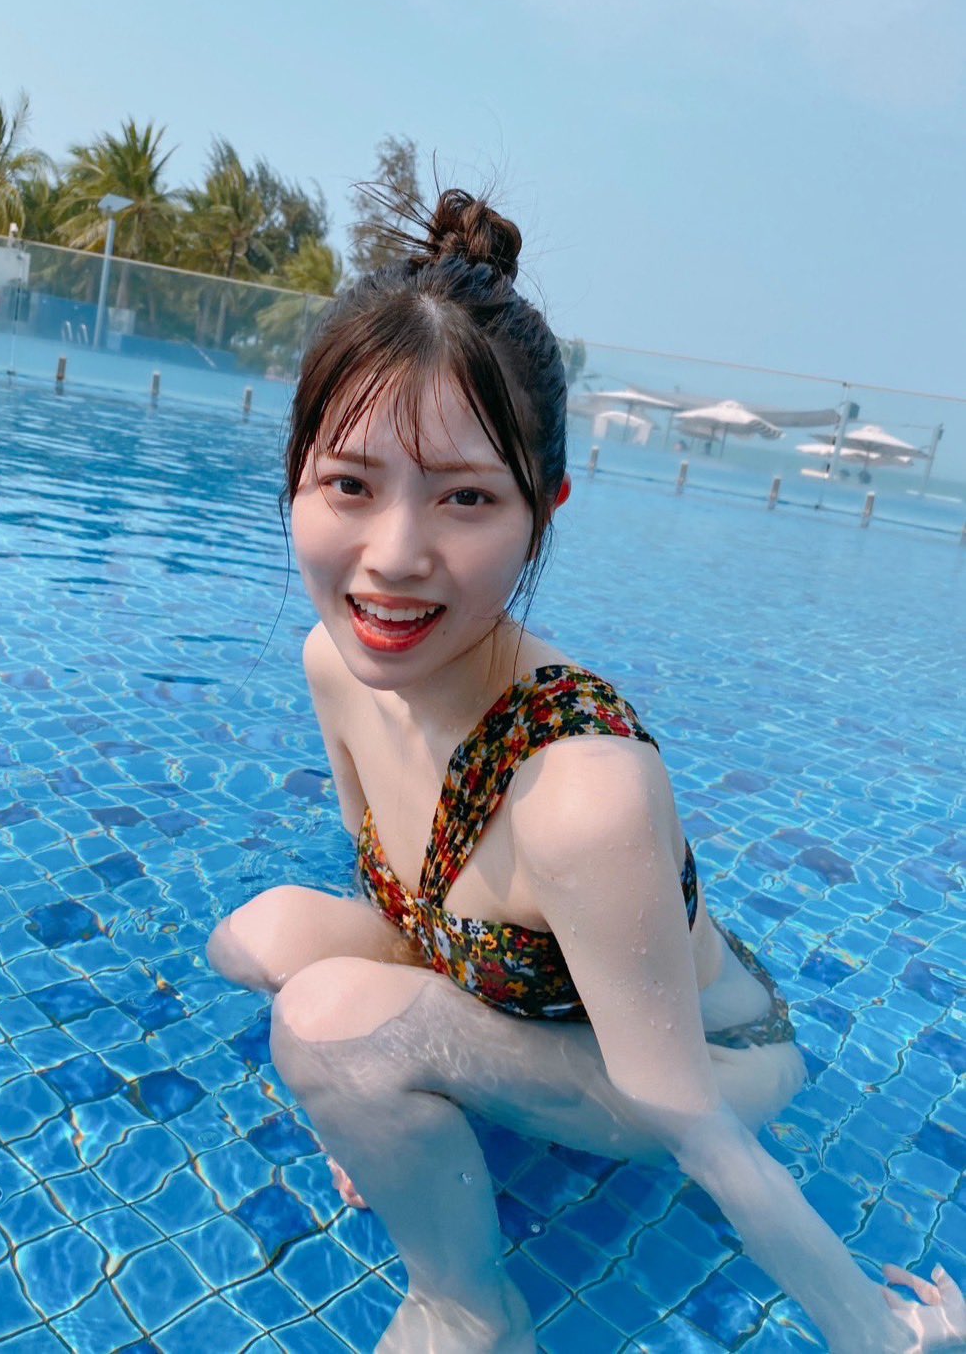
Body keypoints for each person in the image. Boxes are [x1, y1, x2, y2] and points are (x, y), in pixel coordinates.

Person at [207, 190, 963, 1354]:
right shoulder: (333, 662)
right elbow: (400, 905)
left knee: (323, 1018)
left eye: (466, 497)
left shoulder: (581, 792)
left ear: (544, 510)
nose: (393, 557)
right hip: (525, 999)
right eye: (350, 484)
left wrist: (882, 1332)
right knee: (256, 938)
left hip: (707, 1063)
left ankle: (470, 1307)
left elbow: (698, 1127)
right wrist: (368, 1105)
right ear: (294, 476)